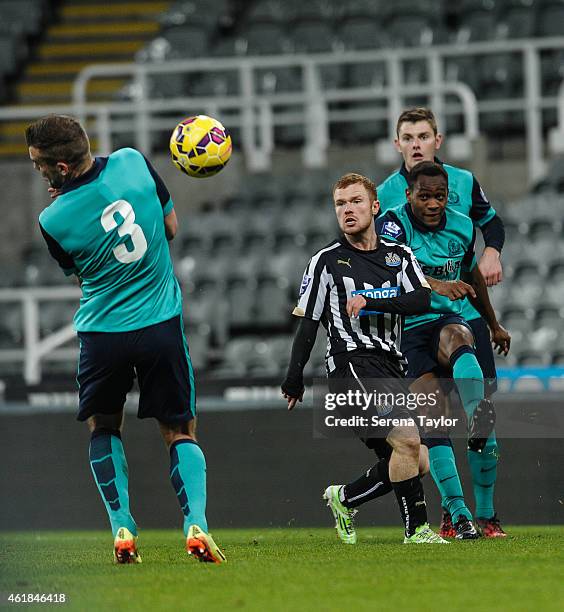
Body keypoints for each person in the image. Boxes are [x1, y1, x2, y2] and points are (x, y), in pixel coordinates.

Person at [26, 114, 225, 564]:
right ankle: (196, 522)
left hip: (102, 336)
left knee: (104, 426)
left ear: (61, 167)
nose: (36, 170)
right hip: (159, 327)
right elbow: (171, 228)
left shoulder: (52, 218)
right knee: (179, 430)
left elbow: (81, 275)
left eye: (39, 163)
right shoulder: (134, 162)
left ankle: (121, 527)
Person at [281, 172, 448, 544]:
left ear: (375, 207)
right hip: (351, 364)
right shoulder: (325, 261)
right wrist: (294, 378)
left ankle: (345, 498)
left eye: (356, 201)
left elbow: (421, 299)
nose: (347, 210)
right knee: (406, 440)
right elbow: (308, 324)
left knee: (415, 459)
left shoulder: (398, 255)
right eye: (340, 204)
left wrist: (373, 299)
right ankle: (417, 530)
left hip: (391, 365)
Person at [377, 107, 508, 538]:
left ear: (438, 139)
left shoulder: (463, 194)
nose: (415, 143)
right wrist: (435, 281)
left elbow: (487, 238)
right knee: (432, 418)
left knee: (482, 422)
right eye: (407, 136)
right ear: (398, 144)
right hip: (414, 322)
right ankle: (457, 514)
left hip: (459, 317)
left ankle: (486, 514)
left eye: (422, 135)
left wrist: (493, 318)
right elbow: (385, 263)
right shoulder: (386, 202)